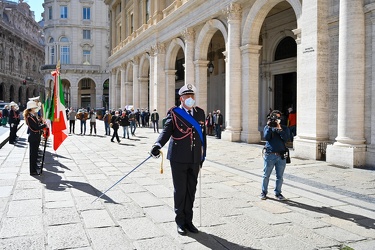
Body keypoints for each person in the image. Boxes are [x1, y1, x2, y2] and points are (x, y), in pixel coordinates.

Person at [150, 83, 207, 236]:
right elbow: (167, 131)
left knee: (191, 191)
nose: (190, 99)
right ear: (181, 99)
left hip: (195, 159)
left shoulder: (200, 113)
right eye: (187, 96)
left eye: (192, 96)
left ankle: (189, 220)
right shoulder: (174, 113)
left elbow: (203, 137)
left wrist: (203, 155)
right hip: (178, 158)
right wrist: (157, 144)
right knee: (180, 191)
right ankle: (180, 221)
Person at [260, 109, 290, 201]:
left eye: (278, 118)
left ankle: (278, 193)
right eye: (274, 117)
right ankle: (263, 192)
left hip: (281, 156)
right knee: (266, 175)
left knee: (280, 177)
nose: (276, 119)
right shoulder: (267, 127)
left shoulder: (284, 128)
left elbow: (286, 139)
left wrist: (279, 128)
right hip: (270, 155)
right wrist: (269, 127)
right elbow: (266, 137)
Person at [24, 100, 47, 175]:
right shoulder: (29, 117)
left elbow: (37, 124)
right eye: (34, 107)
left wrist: (42, 122)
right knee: (33, 155)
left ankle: (35, 166)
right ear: (31, 108)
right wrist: (44, 125)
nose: (35, 109)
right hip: (33, 137)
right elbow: (35, 128)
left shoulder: (32, 116)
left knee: (35, 154)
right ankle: (32, 170)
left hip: (36, 137)